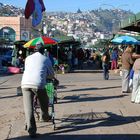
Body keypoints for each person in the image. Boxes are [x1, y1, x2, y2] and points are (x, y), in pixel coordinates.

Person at [21, 43, 55, 137]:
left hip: (25, 84)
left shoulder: (28, 58)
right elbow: (51, 75)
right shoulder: (46, 59)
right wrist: (45, 76)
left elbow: (29, 69)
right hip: (38, 84)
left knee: (28, 108)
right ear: (43, 50)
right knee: (44, 101)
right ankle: (45, 116)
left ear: (34, 50)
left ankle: (32, 131)